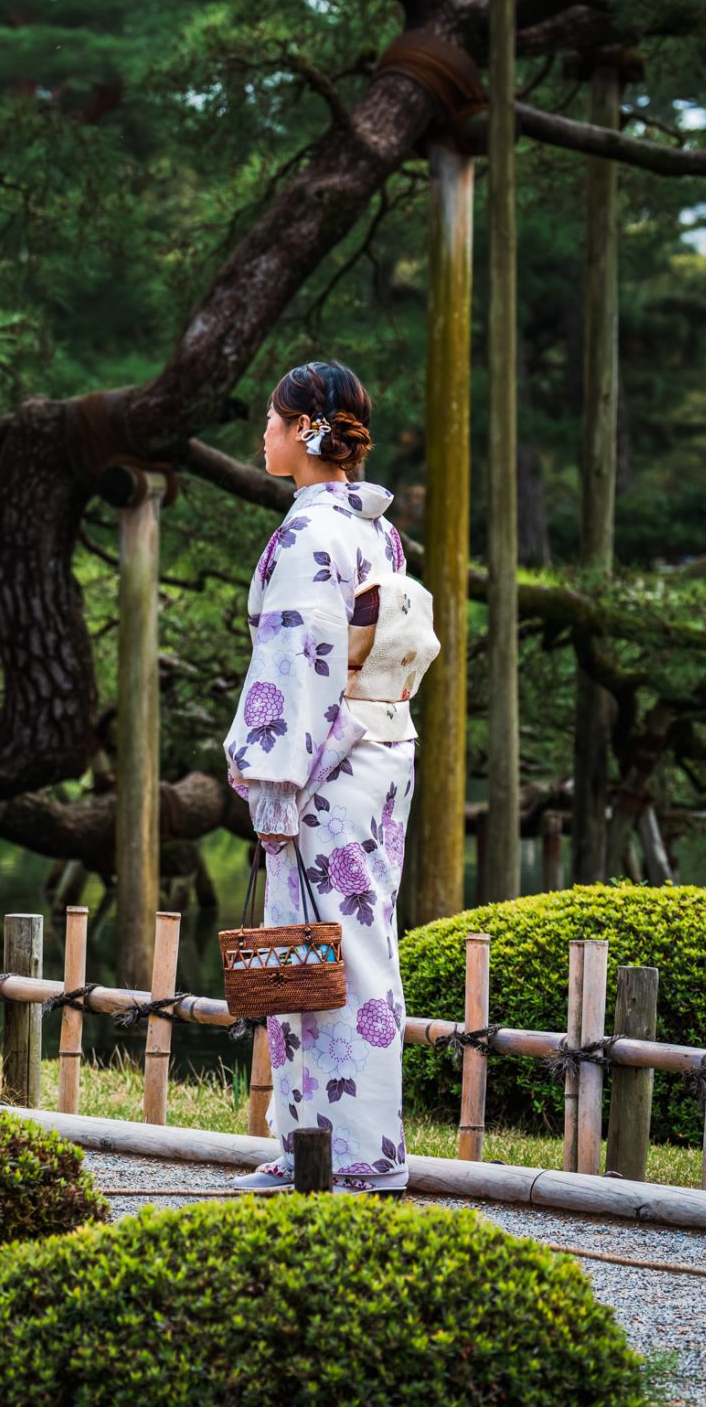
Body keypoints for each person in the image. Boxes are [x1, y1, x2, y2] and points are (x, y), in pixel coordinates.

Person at [221, 361, 435, 1195]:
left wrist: (273, 783)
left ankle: (354, 1151)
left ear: (307, 428)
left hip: (327, 763)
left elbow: (298, 660)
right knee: (341, 948)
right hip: (376, 754)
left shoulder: (313, 533)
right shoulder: (374, 528)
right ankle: (318, 1142)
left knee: (329, 951)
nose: (264, 434)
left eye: (274, 420)